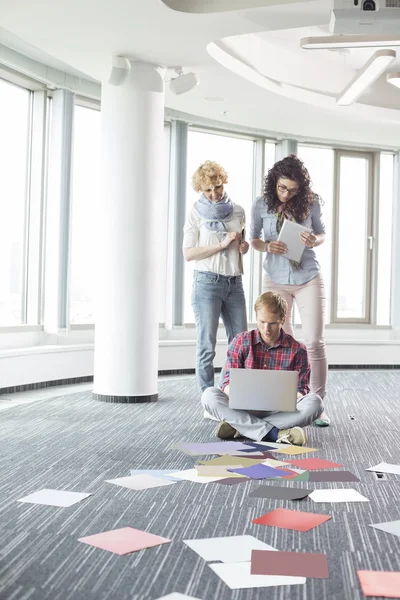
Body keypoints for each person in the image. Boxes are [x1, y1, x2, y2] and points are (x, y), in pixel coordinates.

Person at [249, 154, 329, 427]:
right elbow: (255, 239)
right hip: (275, 277)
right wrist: (267, 246)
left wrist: (313, 240)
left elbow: (321, 233)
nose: (286, 194)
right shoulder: (261, 204)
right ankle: (286, 400)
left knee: (314, 340)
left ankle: (316, 404)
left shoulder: (311, 202)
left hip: (307, 276)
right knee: (284, 341)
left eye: (293, 190)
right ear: (274, 182)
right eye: (282, 188)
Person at [201, 291, 323, 445]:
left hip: (280, 411)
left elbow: (302, 391)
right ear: (256, 318)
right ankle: (275, 433)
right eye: (262, 322)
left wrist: (283, 399)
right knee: (209, 396)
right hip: (243, 408)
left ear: (282, 320)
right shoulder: (241, 341)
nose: (266, 329)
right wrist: (239, 395)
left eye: (272, 323)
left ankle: (240, 427)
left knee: (315, 403)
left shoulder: (299, 350)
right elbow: (226, 382)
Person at [183, 160, 249, 393]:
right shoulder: (195, 213)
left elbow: (241, 244)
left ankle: (234, 395)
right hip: (207, 284)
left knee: (241, 343)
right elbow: (189, 253)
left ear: (224, 183)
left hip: (235, 283)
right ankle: (208, 400)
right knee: (207, 346)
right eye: (208, 190)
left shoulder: (239, 211)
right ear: (201, 190)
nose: (214, 194)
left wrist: (243, 246)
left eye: (218, 187)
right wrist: (221, 244)